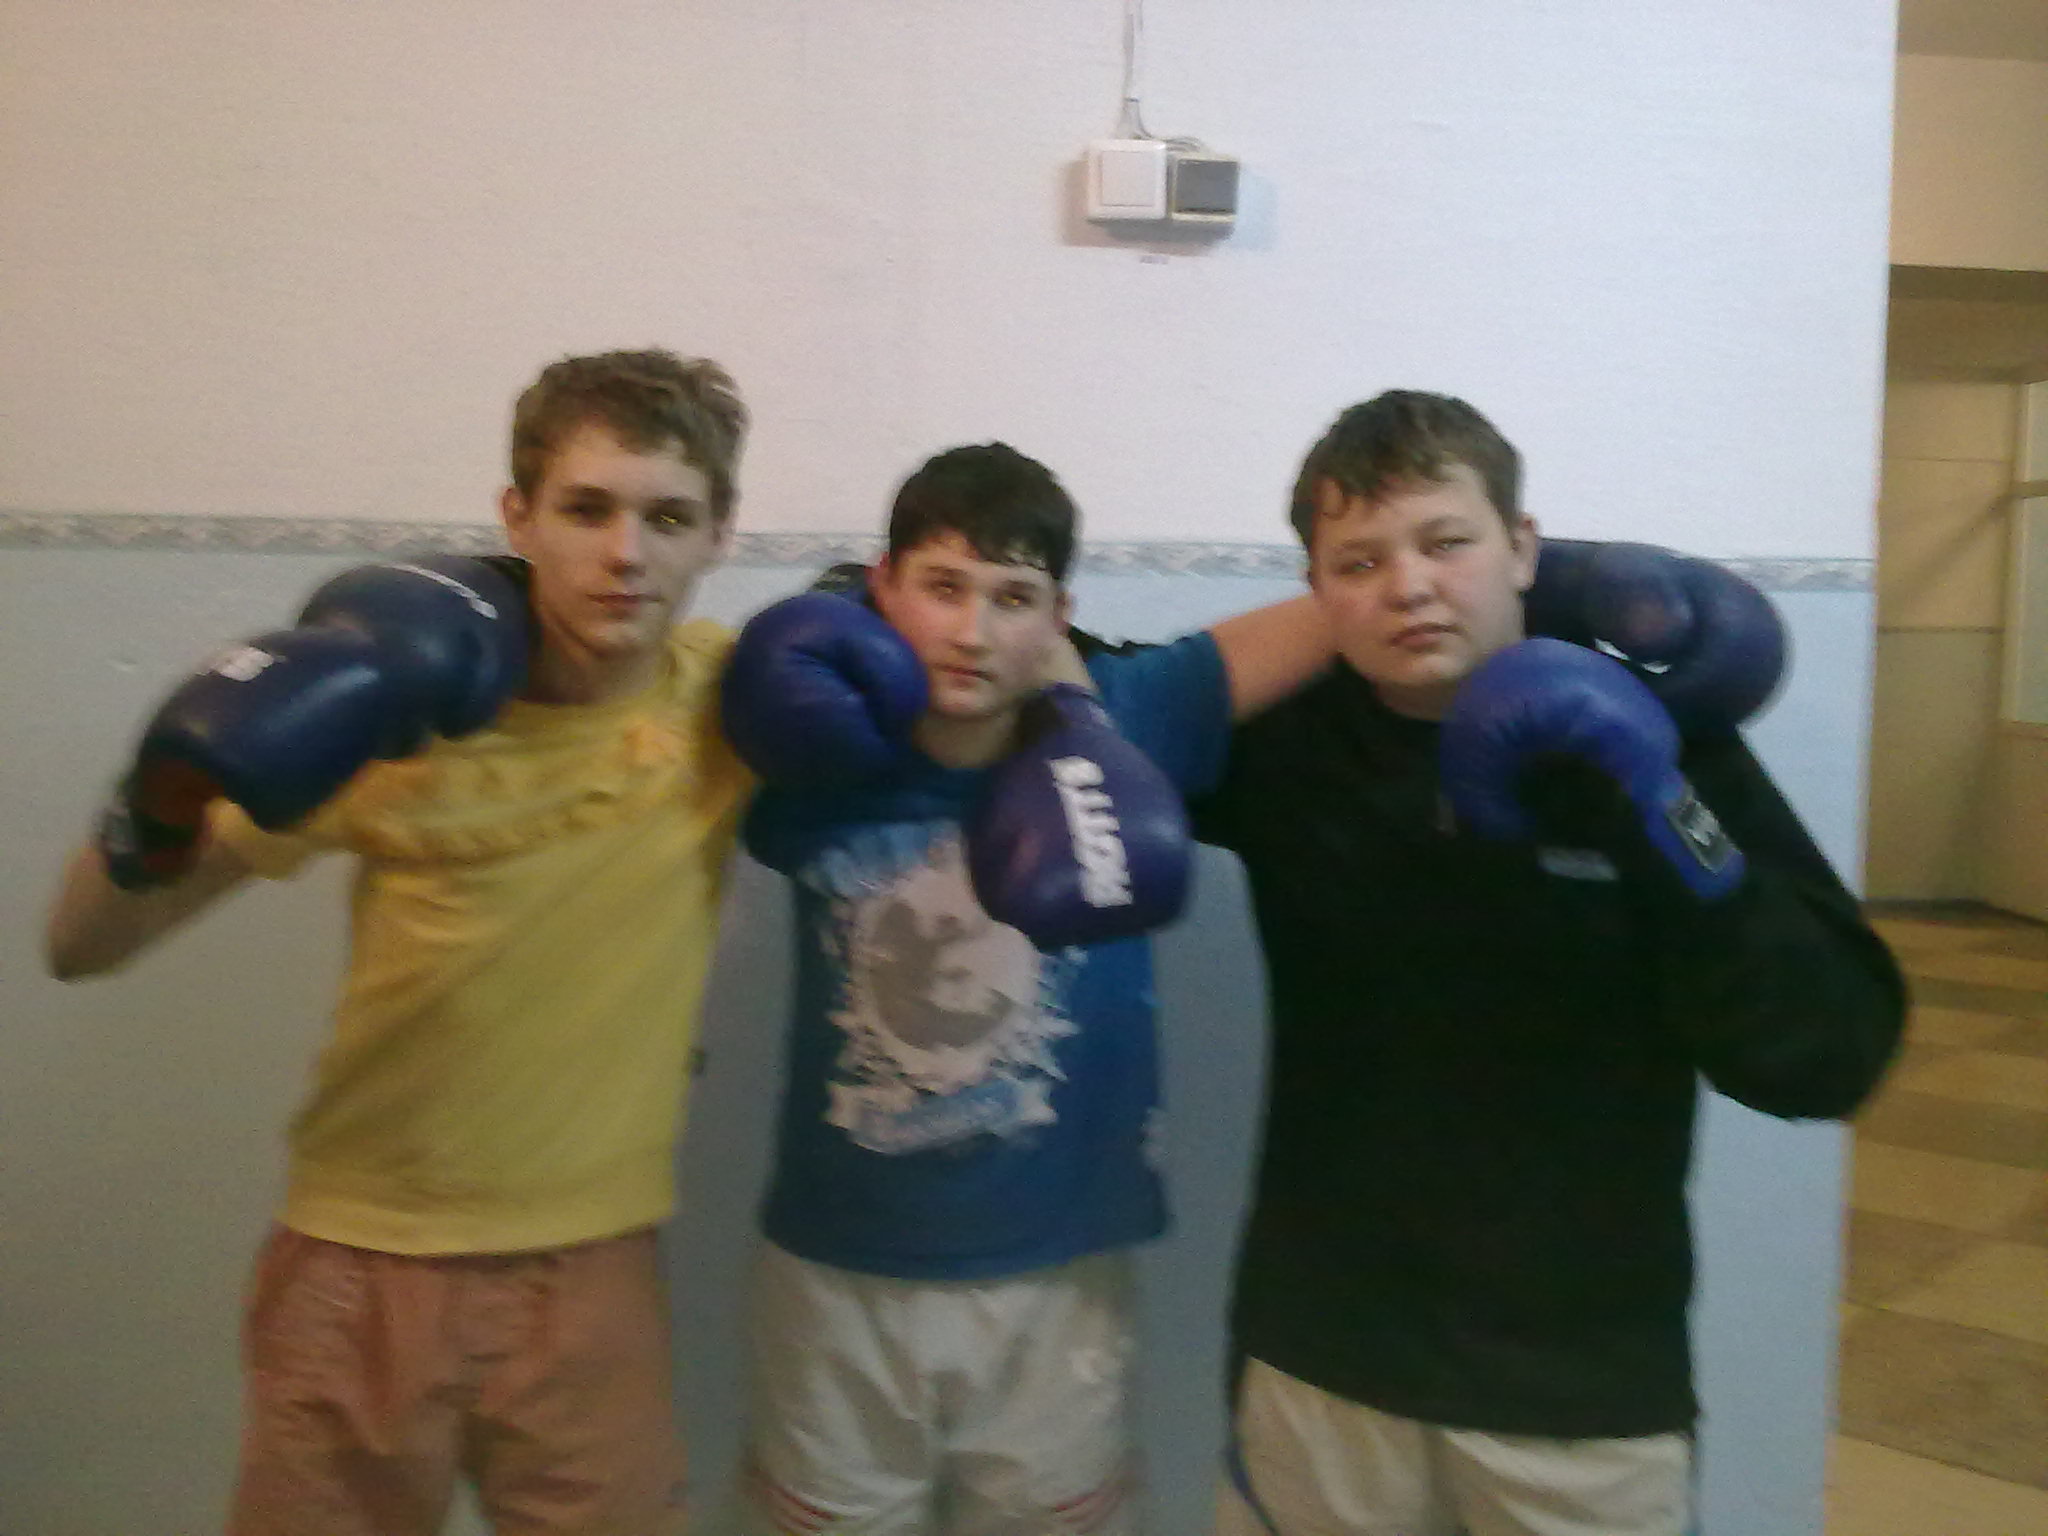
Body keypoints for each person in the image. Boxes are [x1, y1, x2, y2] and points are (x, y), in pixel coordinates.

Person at [45, 348, 753, 1536]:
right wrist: (151, 807)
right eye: (586, 509)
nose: (626, 554)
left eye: (668, 516)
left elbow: (968, 687)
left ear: (719, 534)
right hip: (361, 1262)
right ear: (517, 516)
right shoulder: (389, 715)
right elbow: (79, 947)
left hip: (590, 1270)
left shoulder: (731, 706)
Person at [1195, 391, 1907, 1536]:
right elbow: (1083, 702)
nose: (1408, 586)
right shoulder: (1283, 743)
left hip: (1577, 1392)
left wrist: (1659, 812)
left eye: (1446, 541)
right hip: (1320, 1361)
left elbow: (1828, 1054)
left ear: (1522, 547)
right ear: (1315, 590)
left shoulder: (1652, 737)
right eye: (1358, 561)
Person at [723, 442, 1337, 1535]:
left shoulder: (1125, 720)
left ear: (1059, 614)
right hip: (837, 1275)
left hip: (1056, 1279)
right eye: (942, 587)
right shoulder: (811, 749)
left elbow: (1333, 611)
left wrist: (1546, 570)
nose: (971, 631)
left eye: (1011, 597)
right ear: (884, 588)